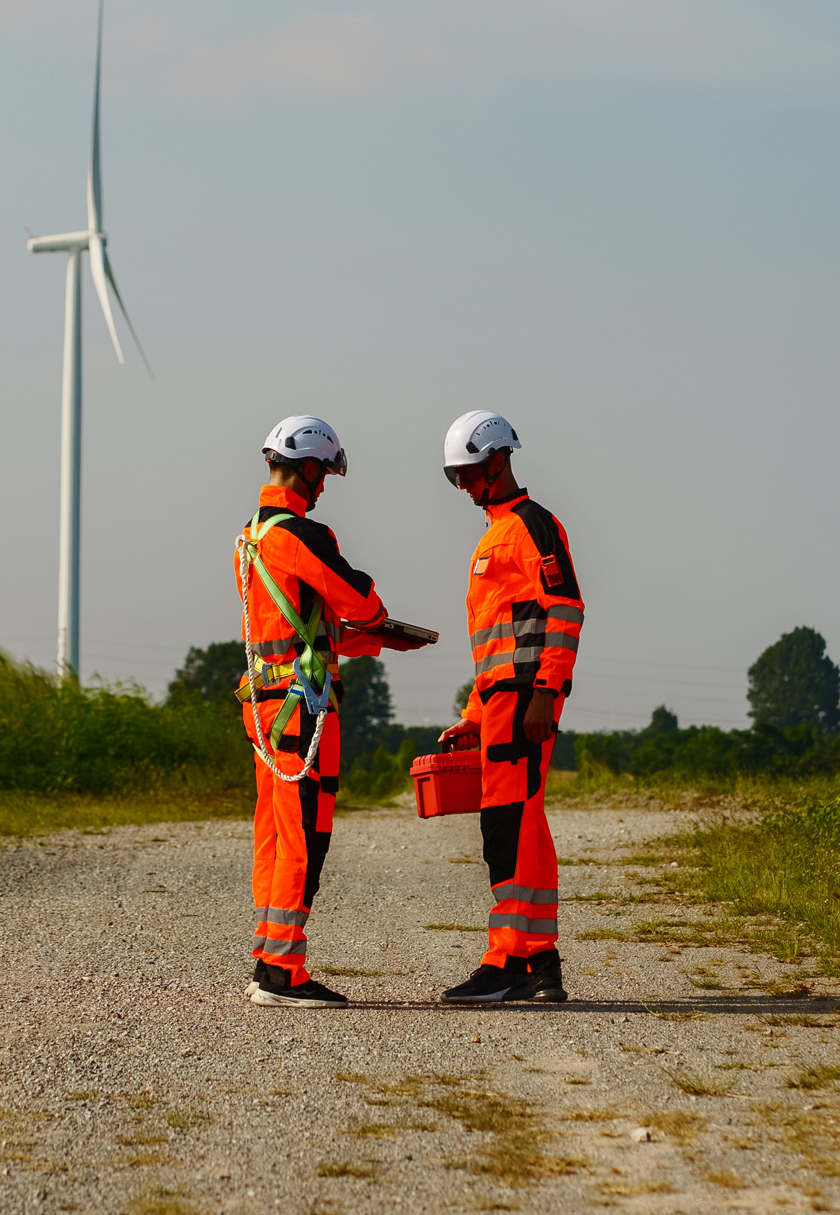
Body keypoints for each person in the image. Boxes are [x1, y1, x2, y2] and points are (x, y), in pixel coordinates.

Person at [235, 415, 427, 1007]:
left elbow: (304, 626)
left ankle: (270, 956)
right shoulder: (304, 534)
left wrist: (375, 640)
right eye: (323, 476)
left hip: (268, 703)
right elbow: (361, 600)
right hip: (304, 711)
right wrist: (377, 619)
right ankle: (282, 974)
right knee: (303, 838)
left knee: (274, 833)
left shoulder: (248, 538)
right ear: (310, 467)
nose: (323, 489)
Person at [436, 410, 582, 1004]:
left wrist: (547, 693)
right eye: (454, 477)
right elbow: (495, 645)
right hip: (501, 703)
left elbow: (566, 610)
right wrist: (474, 713)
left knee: (507, 828)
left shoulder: (533, 526)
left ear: (498, 461)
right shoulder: (495, 532)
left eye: (468, 473)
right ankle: (540, 963)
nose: (464, 486)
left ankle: (506, 964)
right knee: (526, 831)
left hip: (526, 702)